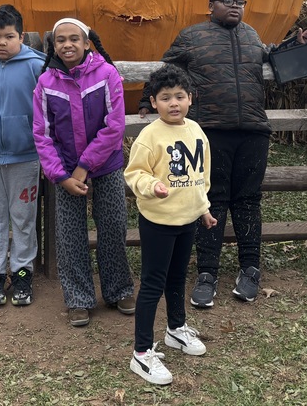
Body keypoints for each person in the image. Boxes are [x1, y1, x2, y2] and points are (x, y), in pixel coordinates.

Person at [140, 0, 307, 307]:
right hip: (211, 133)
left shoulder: (250, 35)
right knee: (212, 200)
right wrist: (145, 100)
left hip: (253, 130)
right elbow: (167, 69)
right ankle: (207, 273)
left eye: (240, 2)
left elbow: (273, 57)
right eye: (227, 1)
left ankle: (250, 269)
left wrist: (297, 42)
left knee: (249, 201)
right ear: (211, 6)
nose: (235, 7)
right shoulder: (192, 36)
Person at [33, 17, 135, 327]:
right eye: (60, 39)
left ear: (87, 42)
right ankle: (78, 298)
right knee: (69, 235)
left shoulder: (106, 75)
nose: (67, 44)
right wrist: (61, 175)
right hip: (64, 174)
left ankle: (119, 290)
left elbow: (114, 126)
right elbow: (42, 133)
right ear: (54, 45)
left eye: (74, 38)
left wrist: (84, 167)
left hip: (105, 166)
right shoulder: (46, 83)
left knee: (113, 225)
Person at [125, 65, 217, 386]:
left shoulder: (195, 131)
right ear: (154, 101)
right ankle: (141, 352)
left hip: (187, 220)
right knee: (153, 283)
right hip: (158, 222)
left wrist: (203, 209)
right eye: (166, 98)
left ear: (190, 98)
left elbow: (200, 177)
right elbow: (134, 173)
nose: (173, 103)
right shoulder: (150, 136)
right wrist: (153, 187)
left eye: (179, 96)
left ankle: (176, 329)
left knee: (178, 278)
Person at [0, 4, 46, 307]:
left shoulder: (37, 66)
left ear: (22, 36)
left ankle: (22, 273)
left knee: (23, 219)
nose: (2, 42)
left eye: (9, 36)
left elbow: (45, 108)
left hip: (24, 157)